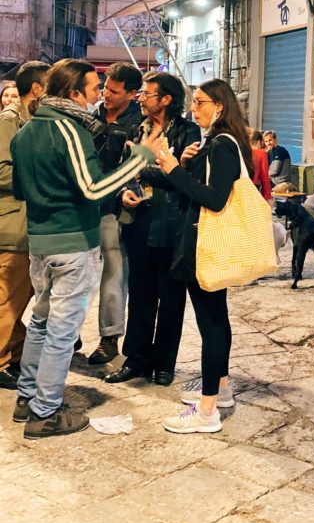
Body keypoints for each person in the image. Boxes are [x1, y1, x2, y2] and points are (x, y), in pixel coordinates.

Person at [10, 59, 162, 439]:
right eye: (95, 88)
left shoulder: (26, 132)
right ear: (74, 93)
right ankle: (45, 412)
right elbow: (93, 189)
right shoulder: (69, 130)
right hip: (72, 244)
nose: (98, 95)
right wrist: (140, 159)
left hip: (40, 244)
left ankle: (27, 398)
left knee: (42, 322)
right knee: (61, 332)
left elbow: (20, 190)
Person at [155, 78, 253, 434]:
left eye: (200, 102)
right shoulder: (217, 141)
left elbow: (214, 198)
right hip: (204, 242)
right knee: (216, 319)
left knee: (211, 325)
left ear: (220, 106)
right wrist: (185, 165)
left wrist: (173, 170)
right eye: (194, 102)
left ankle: (207, 409)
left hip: (206, 245)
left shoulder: (223, 144)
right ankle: (221, 390)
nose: (193, 108)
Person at [106, 72, 199, 387]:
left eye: (147, 94)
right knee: (140, 295)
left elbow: (182, 177)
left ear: (166, 99)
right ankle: (136, 360)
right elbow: (123, 170)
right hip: (140, 221)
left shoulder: (187, 131)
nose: (141, 98)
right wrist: (124, 191)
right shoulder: (137, 128)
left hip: (172, 224)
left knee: (172, 297)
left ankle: (164, 363)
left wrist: (145, 169)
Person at [87, 62, 143, 365]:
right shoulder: (93, 115)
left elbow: (136, 168)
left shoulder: (139, 123)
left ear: (132, 94)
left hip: (114, 208)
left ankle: (109, 338)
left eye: (114, 91)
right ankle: (69, 332)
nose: (106, 94)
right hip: (84, 205)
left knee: (114, 270)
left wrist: (124, 191)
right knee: (76, 272)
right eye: (105, 88)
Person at [0, 61, 49, 390]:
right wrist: (42, 176)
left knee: (17, 298)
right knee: (8, 299)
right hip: (12, 224)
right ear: (37, 89)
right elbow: (2, 171)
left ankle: (15, 354)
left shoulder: (31, 119)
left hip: (28, 224)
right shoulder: (9, 121)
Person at [248, 129, 271, 201]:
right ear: (258, 142)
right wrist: (267, 198)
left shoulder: (242, 151)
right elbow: (264, 178)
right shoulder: (261, 153)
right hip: (252, 189)